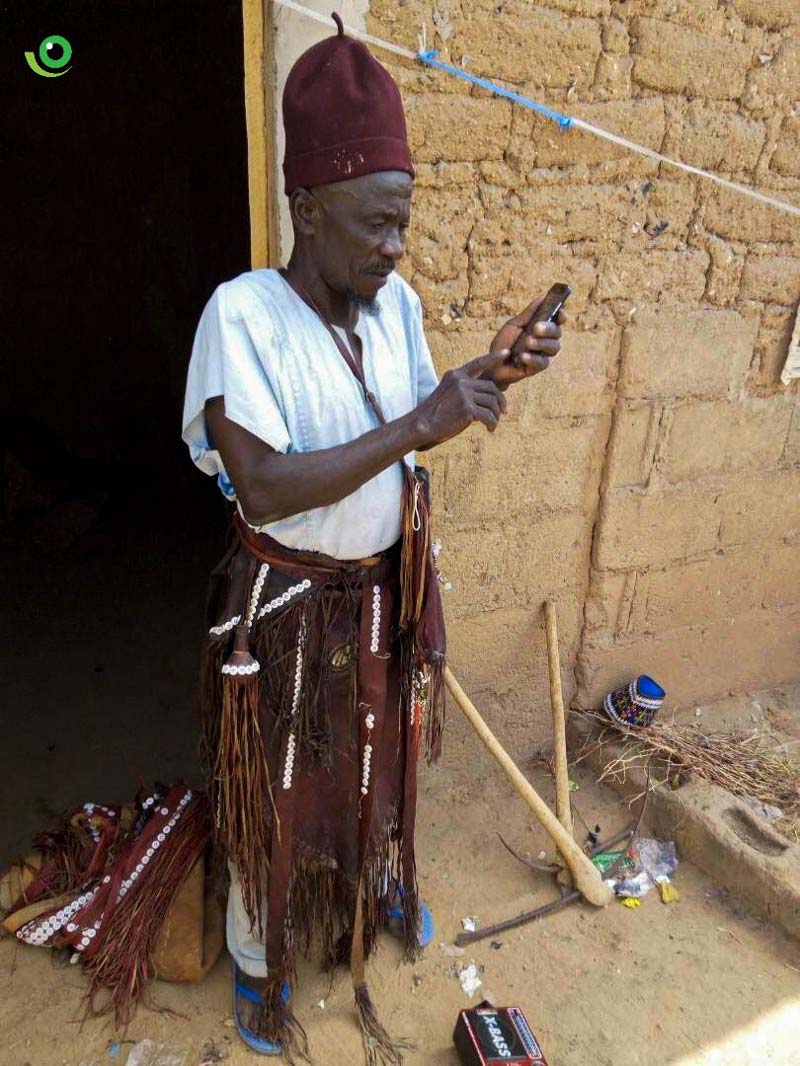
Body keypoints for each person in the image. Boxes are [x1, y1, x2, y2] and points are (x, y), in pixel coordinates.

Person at [182, 15, 564, 1062]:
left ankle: (369, 895)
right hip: (290, 613)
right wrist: (415, 423)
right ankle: (259, 963)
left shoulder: (392, 307)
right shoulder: (243, 317)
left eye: (402, 222)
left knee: (379, 766)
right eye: (374, 223)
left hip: (382, 596)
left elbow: (421, 416)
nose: (394, 248)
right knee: (278, 787)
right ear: (308, 208)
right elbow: (259, 484)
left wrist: (496, 373)